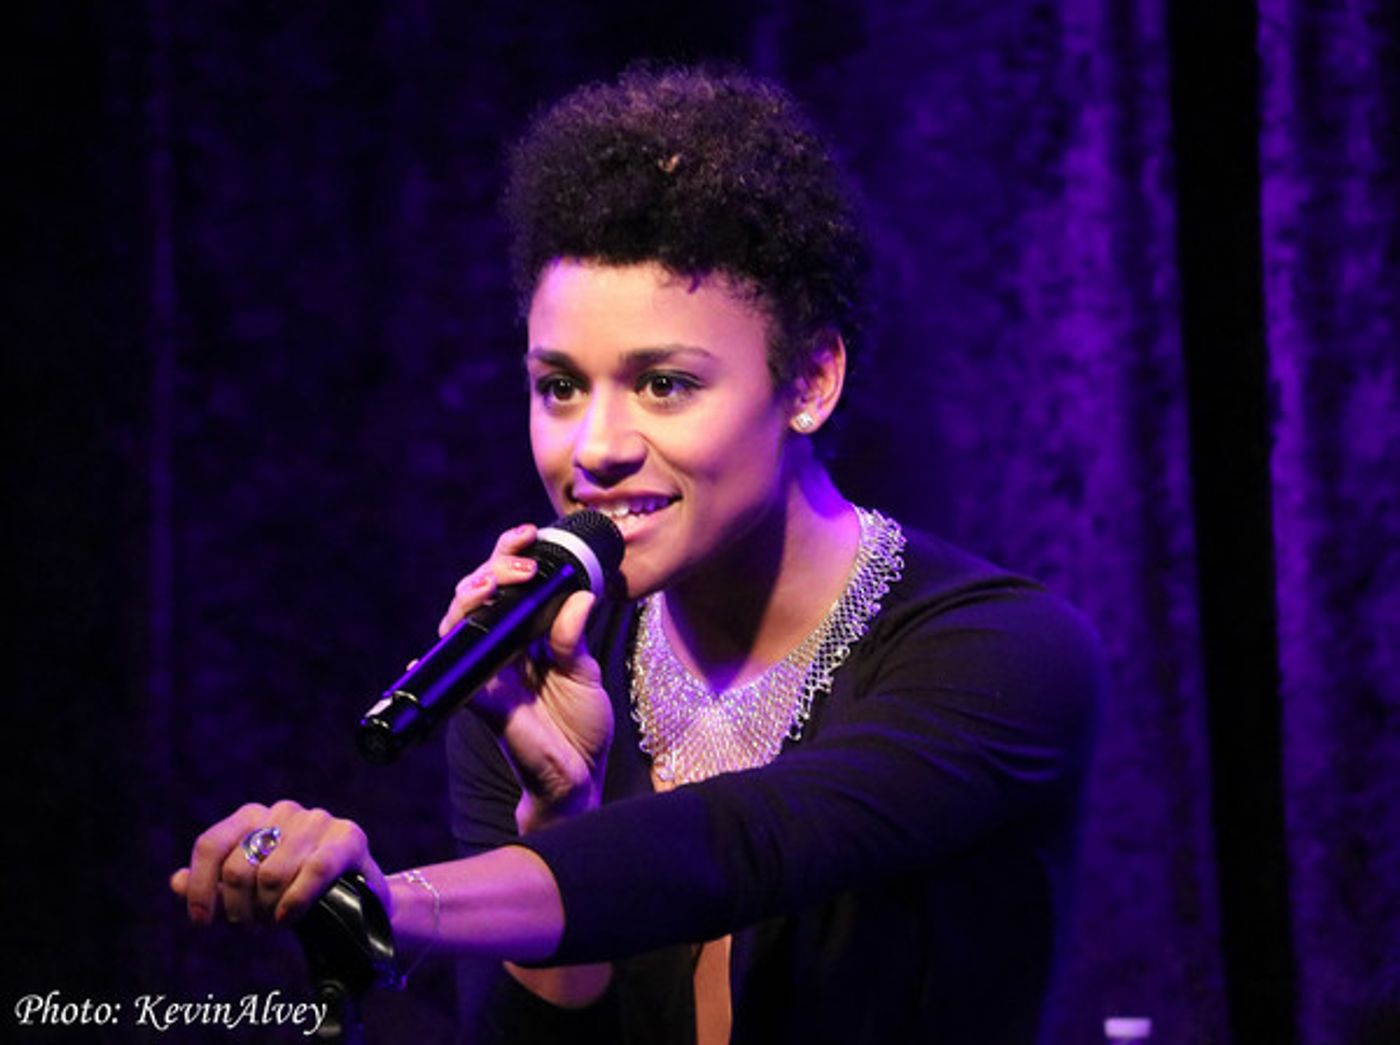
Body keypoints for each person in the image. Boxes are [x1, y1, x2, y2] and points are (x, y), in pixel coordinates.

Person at [172, 66, 1104, 1044]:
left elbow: (738, 846)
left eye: (663, 383)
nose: (595, 446)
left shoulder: (1004, 655)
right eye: (559, 386)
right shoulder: (536, 677)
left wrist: (388, 904)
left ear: (811, 380)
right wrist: (557, 805)